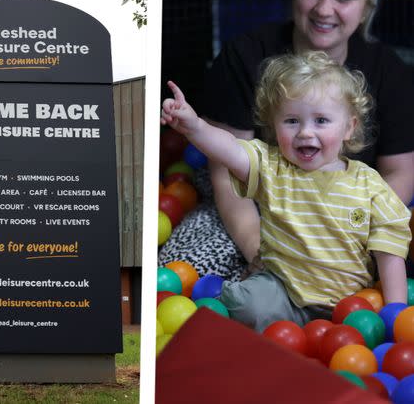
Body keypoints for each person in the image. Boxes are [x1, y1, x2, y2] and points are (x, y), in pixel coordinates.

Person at [158, 0, 414, 281]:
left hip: (349, 216)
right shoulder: (244, 56)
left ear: (367, 4)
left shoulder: (390, 72)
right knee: (178, 272)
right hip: (257, 210)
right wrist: (258, 251)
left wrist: (360, 229)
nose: (325, 8)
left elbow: (400, 172)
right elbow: (226, 172)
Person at [161, 52, 411, 331]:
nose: (305, 132)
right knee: (249, 305)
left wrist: (394, 316)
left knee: (357, 330)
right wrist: (195, 127)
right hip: (282, 293)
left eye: (321, 121)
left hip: (347, 306)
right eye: (291, 121)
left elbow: (389, 253)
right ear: (274, 126)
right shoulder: (272, 167)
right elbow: (229, 149)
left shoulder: (370, 187)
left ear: (348, 128)